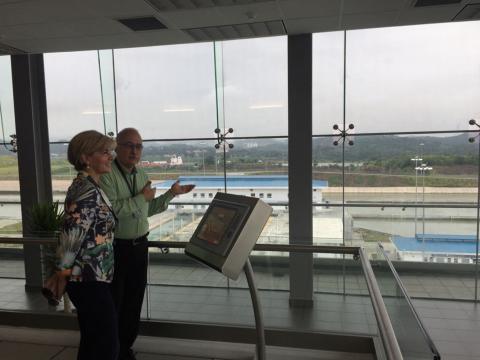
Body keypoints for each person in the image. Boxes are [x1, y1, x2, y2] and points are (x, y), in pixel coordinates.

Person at [100, 128, 194, 360]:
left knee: (134, 299)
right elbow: (113, 212)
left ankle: (126, 348)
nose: (134, 150)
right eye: (129, 145)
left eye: (138, 146)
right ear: (116, 148)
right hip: (116, 248)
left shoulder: (141, 176)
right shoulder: (107, 175)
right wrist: (142, 198)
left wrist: (171, 194)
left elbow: (146, 210)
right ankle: (112, 350)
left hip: (140, 245)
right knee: (116, 301)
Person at [55, 130, 118, 360]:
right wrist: (62, 274)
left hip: (93, 277)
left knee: (93, 341)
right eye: (104, 152)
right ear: (85, 158)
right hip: (88, 280)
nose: (110, 156)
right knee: (107, 345)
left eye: (110, 151)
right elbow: (71, 236)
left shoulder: (91, 186)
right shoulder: (86, 191)